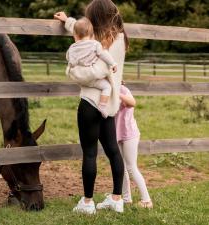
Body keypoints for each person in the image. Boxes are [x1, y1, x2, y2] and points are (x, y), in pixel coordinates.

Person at [54, 0, 129, 214]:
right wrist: (67, 21)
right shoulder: (116, 39)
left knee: (89, 153)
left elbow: (95, 72)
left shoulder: (106, 42)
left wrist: (71, 72)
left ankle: (87, 202)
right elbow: (81, 32)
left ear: (96, 17)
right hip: (109, 103)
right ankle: (116, 198)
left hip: (90, 102)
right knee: (113, 151)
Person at [66, 17, 117, 118]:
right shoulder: (95, 45)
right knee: (107, 87)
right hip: (93, 79)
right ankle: (102, 106)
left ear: (75, 35)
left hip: (81, 81)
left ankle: (84, 101)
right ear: (92, 35)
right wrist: (113, 63)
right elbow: (103, 54)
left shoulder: (72, 48)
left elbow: (71, 61)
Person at [115, 81, 153, 208]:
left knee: (131, 167)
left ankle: (147, 201)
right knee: (121, 167)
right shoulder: (104, 92)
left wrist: (117, 92)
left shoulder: (123, 89)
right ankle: (126, 198)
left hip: (129, 134)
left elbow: (132, 103)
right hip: (116, 134)